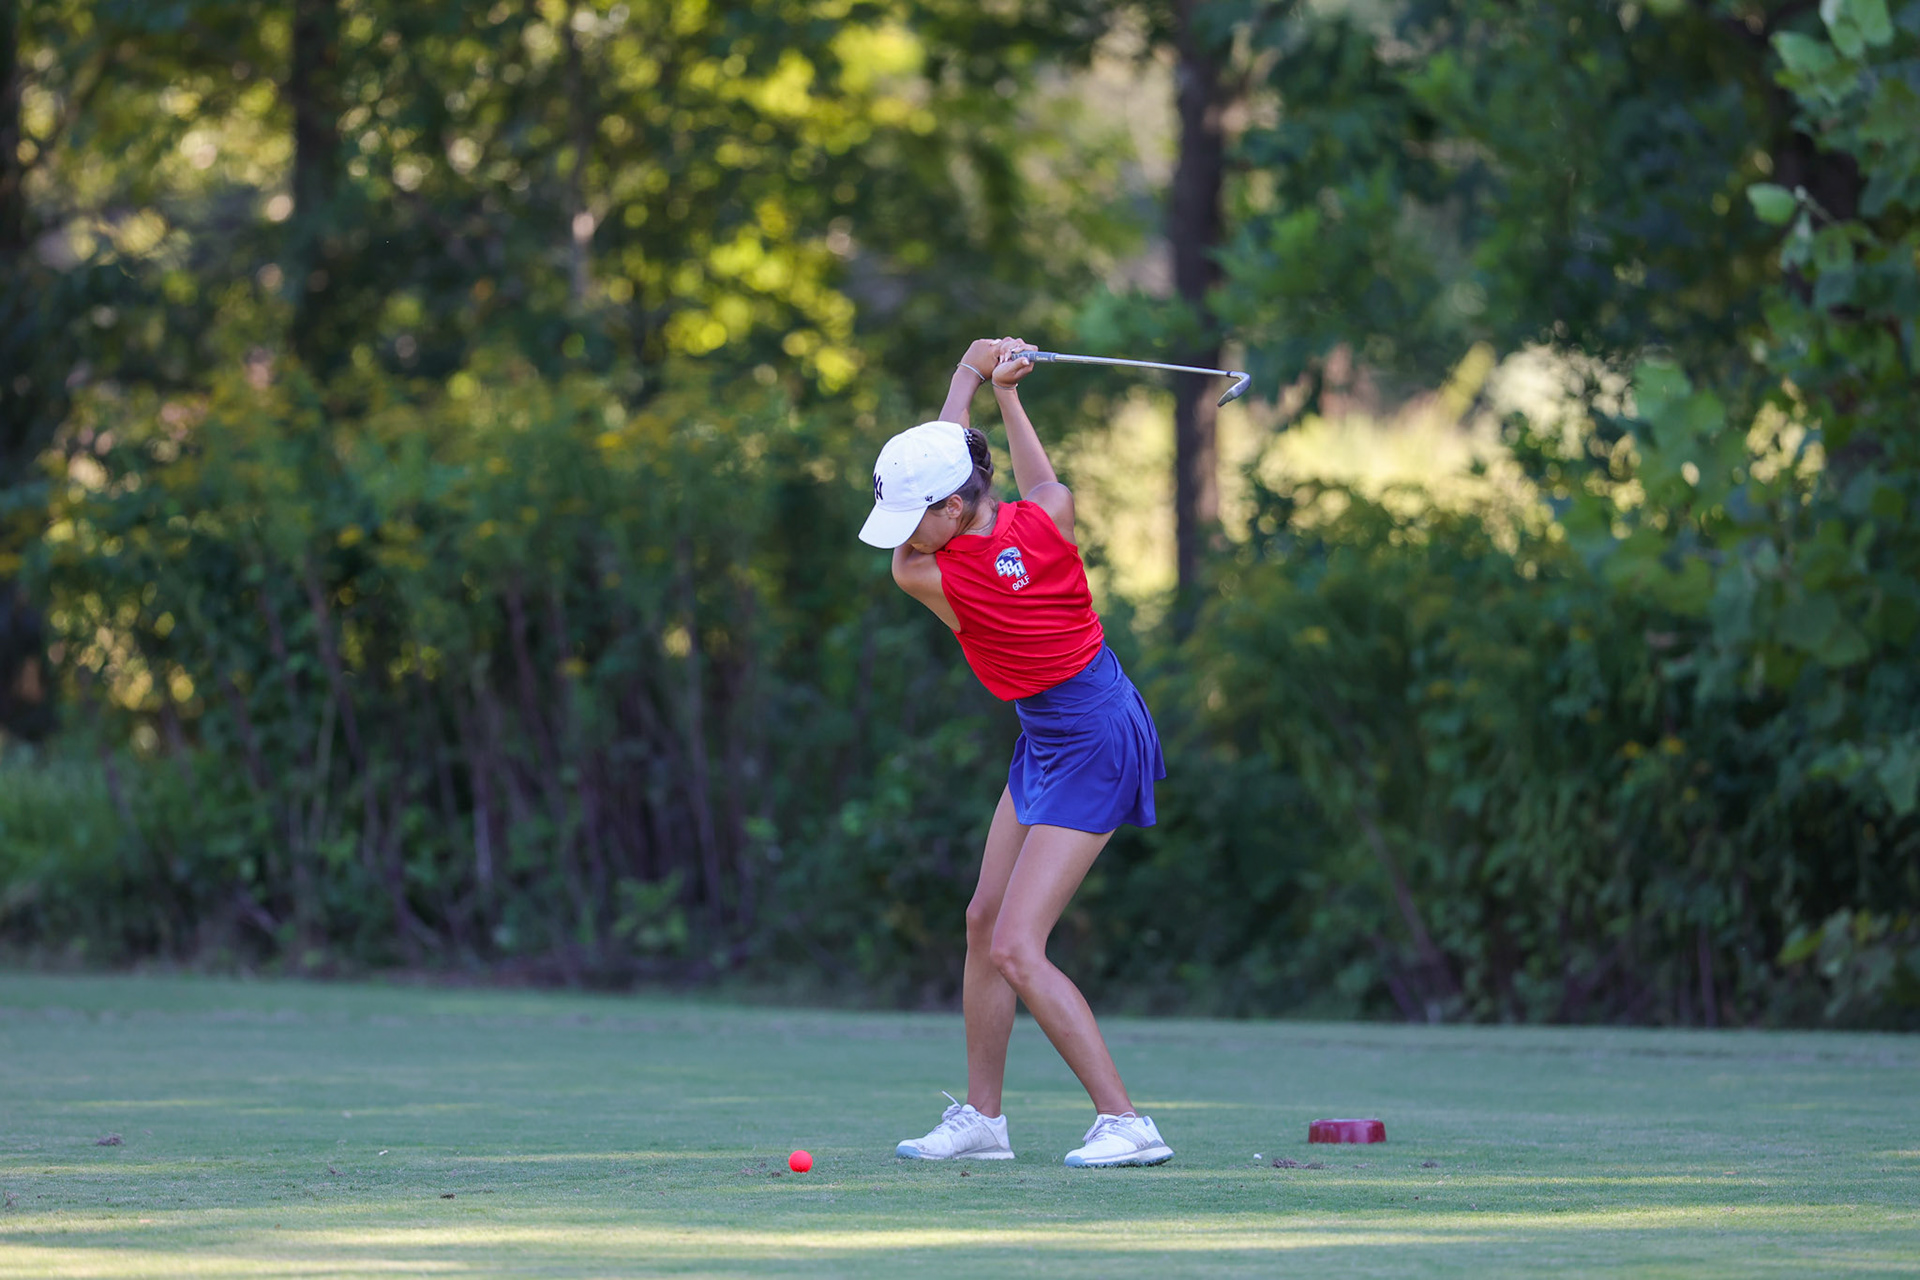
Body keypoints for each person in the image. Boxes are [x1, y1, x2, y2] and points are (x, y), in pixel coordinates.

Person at [857, 336, 1172, 1169]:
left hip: (1094, 739)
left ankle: (1127, 1123)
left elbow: (924, 533)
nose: (907, 536)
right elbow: (1039, 485)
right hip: (1054, 731)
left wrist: (966, 376)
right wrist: (1004, 391)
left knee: (1015, 946)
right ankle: (984, 1121)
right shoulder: (1047, 518)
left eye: (916, 516)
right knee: (983, 920)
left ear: (952, 508)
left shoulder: (932, 576)